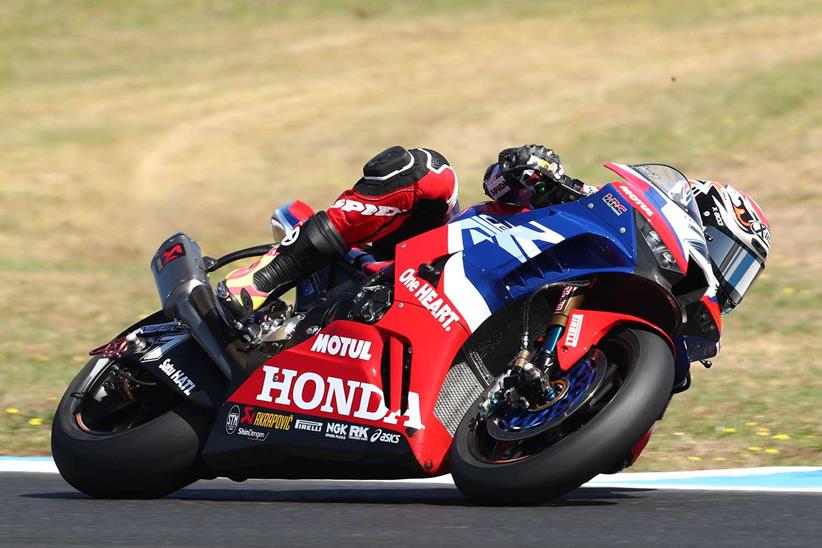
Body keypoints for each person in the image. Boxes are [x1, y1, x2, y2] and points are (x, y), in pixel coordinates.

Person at [216, 144, 585, 319]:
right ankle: (259, 281)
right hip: (413, 272)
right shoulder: (539, 207)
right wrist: (534, 177)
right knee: (428, 170)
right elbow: (496, 181)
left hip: (482, 321)